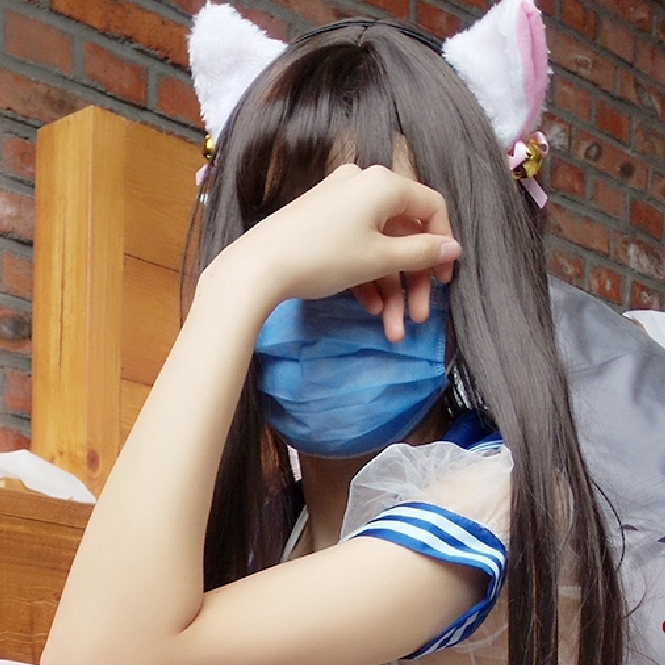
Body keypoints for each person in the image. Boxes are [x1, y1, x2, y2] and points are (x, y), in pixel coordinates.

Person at [41, 2, 626, 665]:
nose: (321, 290)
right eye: (285, 241)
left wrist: (237, 283)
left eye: (380, 242)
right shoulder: (274, 526)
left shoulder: (497, 501)